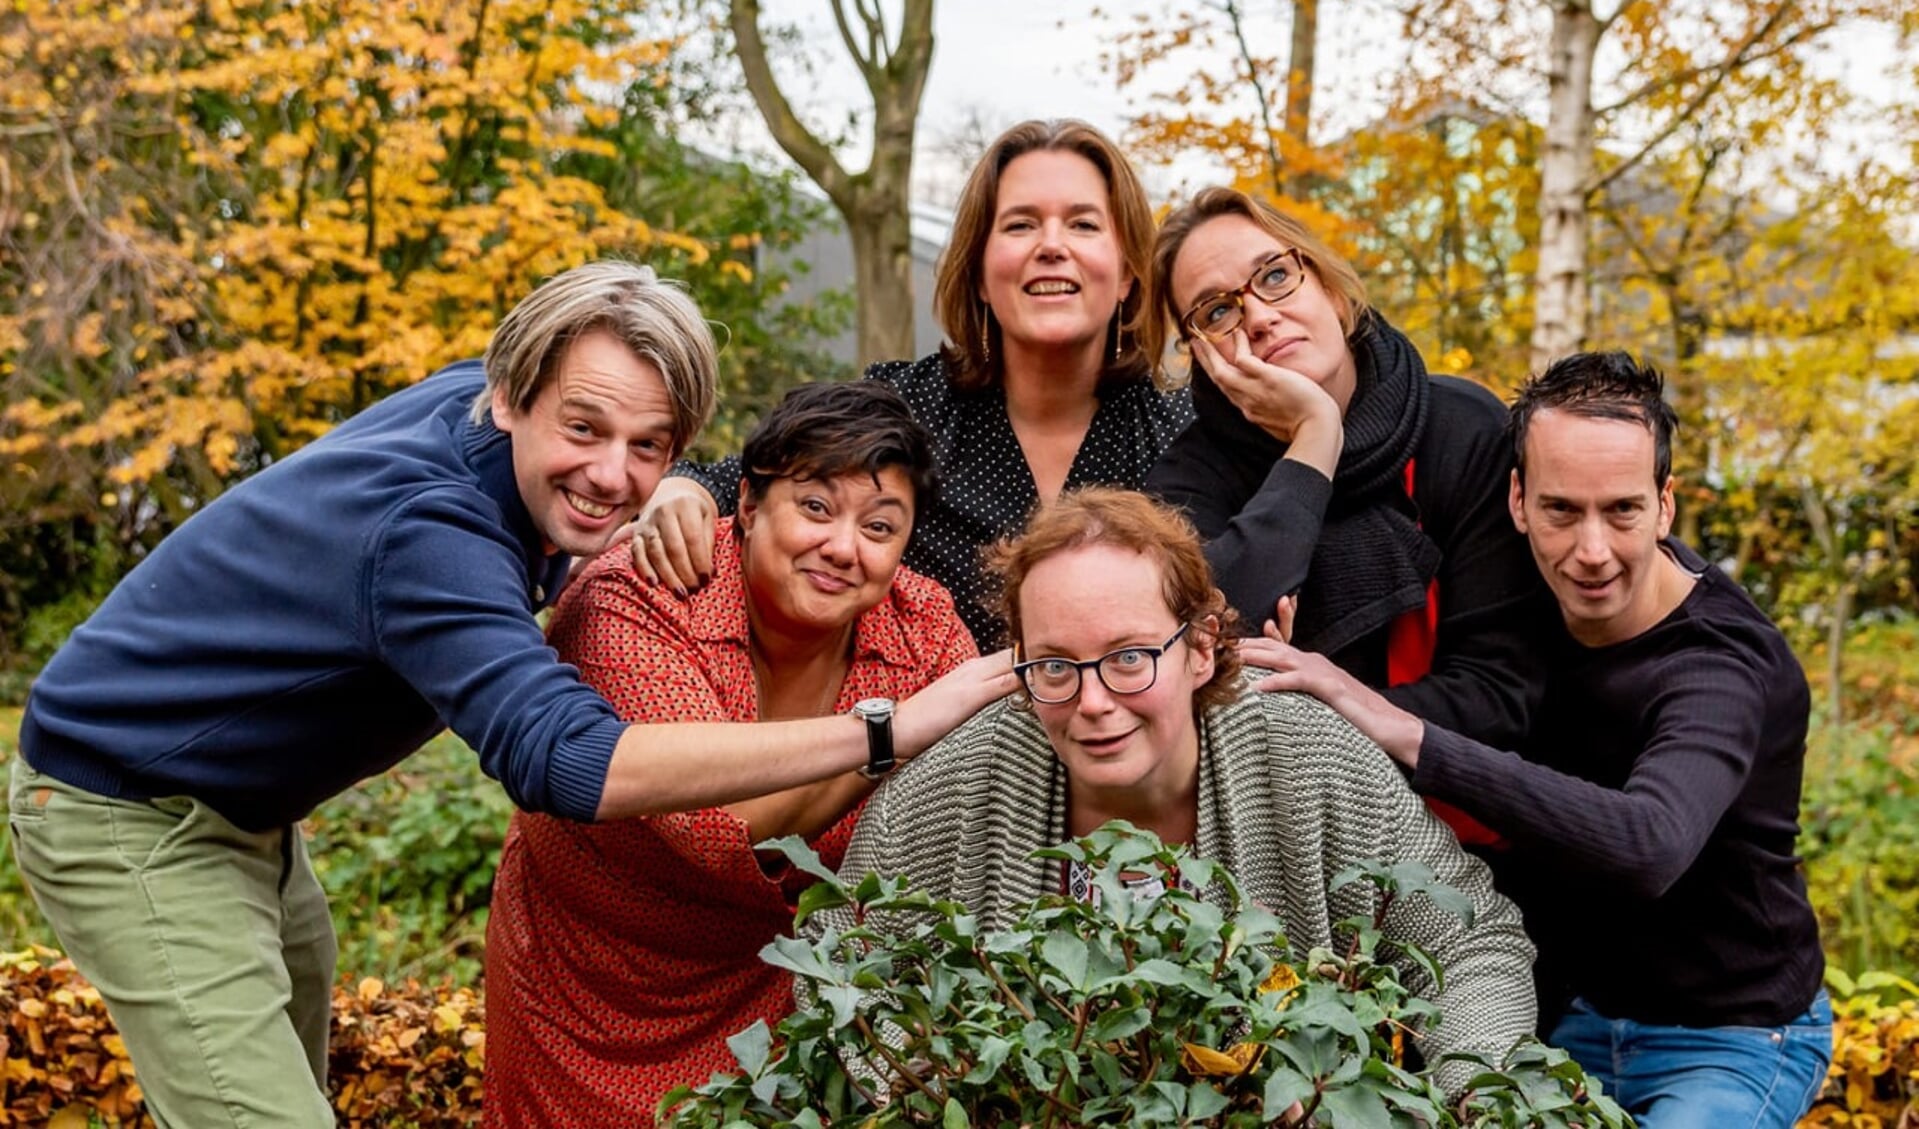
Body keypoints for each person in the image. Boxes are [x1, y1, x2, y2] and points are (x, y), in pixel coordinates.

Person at [7, 263, 1008, 1127]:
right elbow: (571, 761)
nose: (610, 474)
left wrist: (680, 486)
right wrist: (886, 730)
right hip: (123, 808)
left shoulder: (492, 420)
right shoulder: (431, 535)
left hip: (247, 813)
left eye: (648, 445)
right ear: (508, 396)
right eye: (584, 427)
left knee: (284, 1085)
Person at [1247, 352, 1830, 1127]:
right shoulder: (1518, 609)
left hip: (1731, 1032)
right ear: (1517, 500)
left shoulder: (1720, 666)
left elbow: (1646, 844)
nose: (1590, 550)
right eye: (1561, 510)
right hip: (1571, 1017)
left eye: (1620, 510)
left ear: (1664, 505)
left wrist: (1414, 735)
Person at [836, 487, 1537, 1095]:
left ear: (1200, 647)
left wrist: (1474, 1094)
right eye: (1053, 665)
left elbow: (1467, 940)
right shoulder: (955, 782)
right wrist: (938, 1087)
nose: (1093, 701)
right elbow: (842, 951)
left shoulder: (1310, 754)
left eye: (1130, 658)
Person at [482, 381, 1001, 1126]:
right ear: (751, 506)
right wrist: (891, 732)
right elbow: (716, 821)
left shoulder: (921, 625)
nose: (842, 547)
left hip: (792, 983)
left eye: (880, 526)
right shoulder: (637, 594)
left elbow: (956, 806)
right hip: (594, 984)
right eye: (815, 507)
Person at [633, 119, 1193, 647]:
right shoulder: (908, 407)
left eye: (1083, 224)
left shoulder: (1186, 431)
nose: (1051, 245)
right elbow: (749, 482)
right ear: (977, 272)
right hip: (924, 743)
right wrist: (682, 489)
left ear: (1126, 273)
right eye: (1020, 224)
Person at [1142, 189, 1545, 828]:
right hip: (1277, 833)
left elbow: (1501, 696)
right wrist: (1315, 436)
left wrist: (1333, 699)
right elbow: (1200, 645)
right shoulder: (1188, 480)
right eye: (1217, 311)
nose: (1259, 317)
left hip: (1470, 831)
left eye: (1275, 276)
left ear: (1329, 289)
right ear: (1202, 357)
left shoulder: (1462, 431)